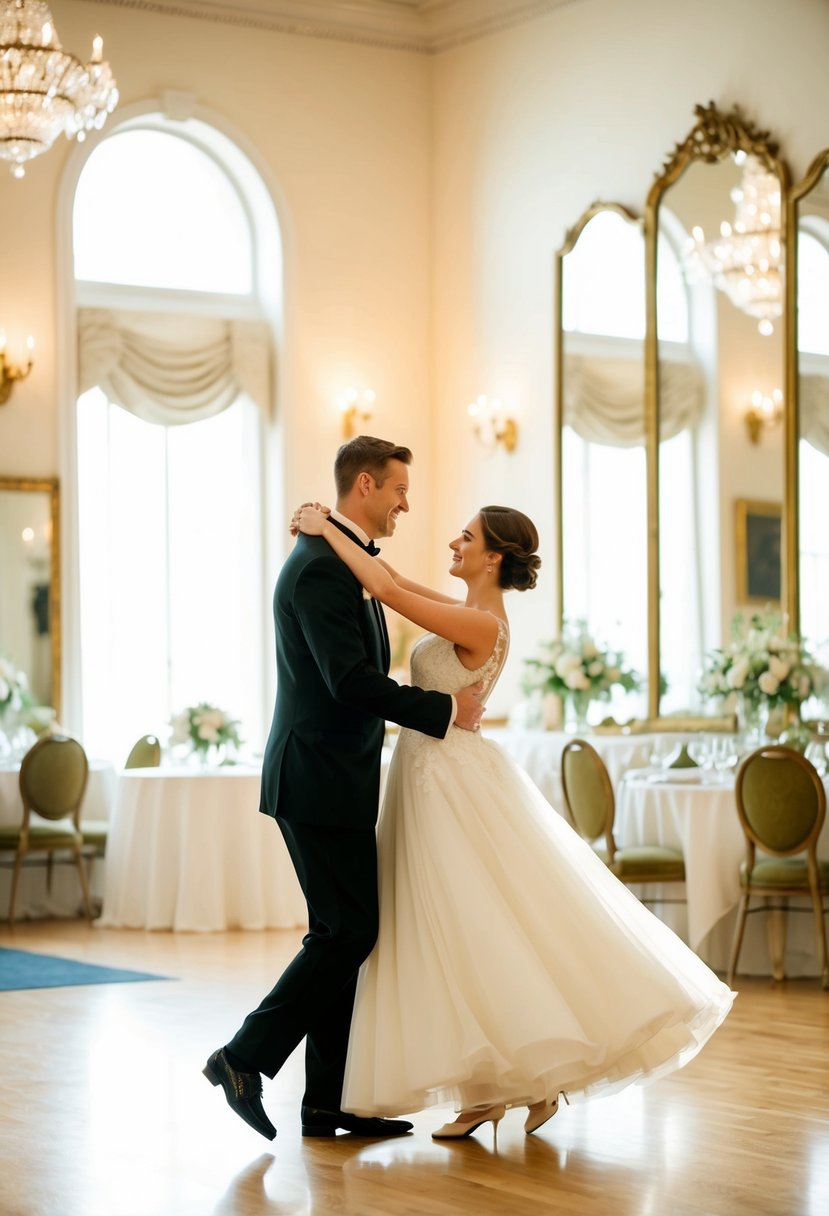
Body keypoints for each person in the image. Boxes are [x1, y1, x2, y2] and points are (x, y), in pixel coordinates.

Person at [295, 501, 734, 1139]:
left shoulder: (485, 625)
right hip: (428, 774)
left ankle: (516, 1079)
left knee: (477, 923)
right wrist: (340, 533)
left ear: (493, 555)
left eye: (465, 536)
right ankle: (503, 1082)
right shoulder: (466, 612)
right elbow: (399, 587)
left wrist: (326, 527)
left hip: (449, 779)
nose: (453, 540)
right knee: (457, 926)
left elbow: (385, 587)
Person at [203, 437, 484, 1142]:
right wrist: (443, 711)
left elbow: (387, 604)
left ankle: (325, 1104)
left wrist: (321, 520)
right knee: (347, 930)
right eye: (397, 491)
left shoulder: (336, 558)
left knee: (344, 933)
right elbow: (348, 682)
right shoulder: (321, 571)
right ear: (366, 484)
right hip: (316, 776)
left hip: (336, 776)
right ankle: (242, 1058)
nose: (406, 504)